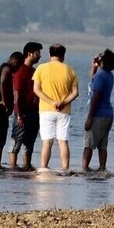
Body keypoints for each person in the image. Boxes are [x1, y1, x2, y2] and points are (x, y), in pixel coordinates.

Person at [31, 44, 79, 174]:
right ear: (63, 55)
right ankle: (65, 168)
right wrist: (63, 102)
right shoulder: (70, 70)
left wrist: (51, 102)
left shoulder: (41, 68)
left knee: (47, 141)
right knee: (63, 141)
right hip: (64, 111)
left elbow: (36, 90)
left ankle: (44, 167)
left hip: (46, 110)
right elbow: (75, 93)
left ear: (49, 54)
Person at [8, 42, 44, 171]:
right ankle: (13, 166)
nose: (39, 56)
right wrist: (19, 114)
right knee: (17, 139)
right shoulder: (20, 71)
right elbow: (16, 94)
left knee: (30, 140)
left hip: (34, 110)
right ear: (30, 54)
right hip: (23, 110)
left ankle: (27, 165)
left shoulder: (34, 71)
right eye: (37, 53)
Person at [81, 49, 114, 172]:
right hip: (108, 114)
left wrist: (89, 118)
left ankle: (85, 168)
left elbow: (96, 97)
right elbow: (93, 81)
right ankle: (102, 168)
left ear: (103, 62)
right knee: (102, 144)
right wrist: (94, 67)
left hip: (98, 114)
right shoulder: (108, 75)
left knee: (88, 144)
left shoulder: (101, 76)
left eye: (101, 56)